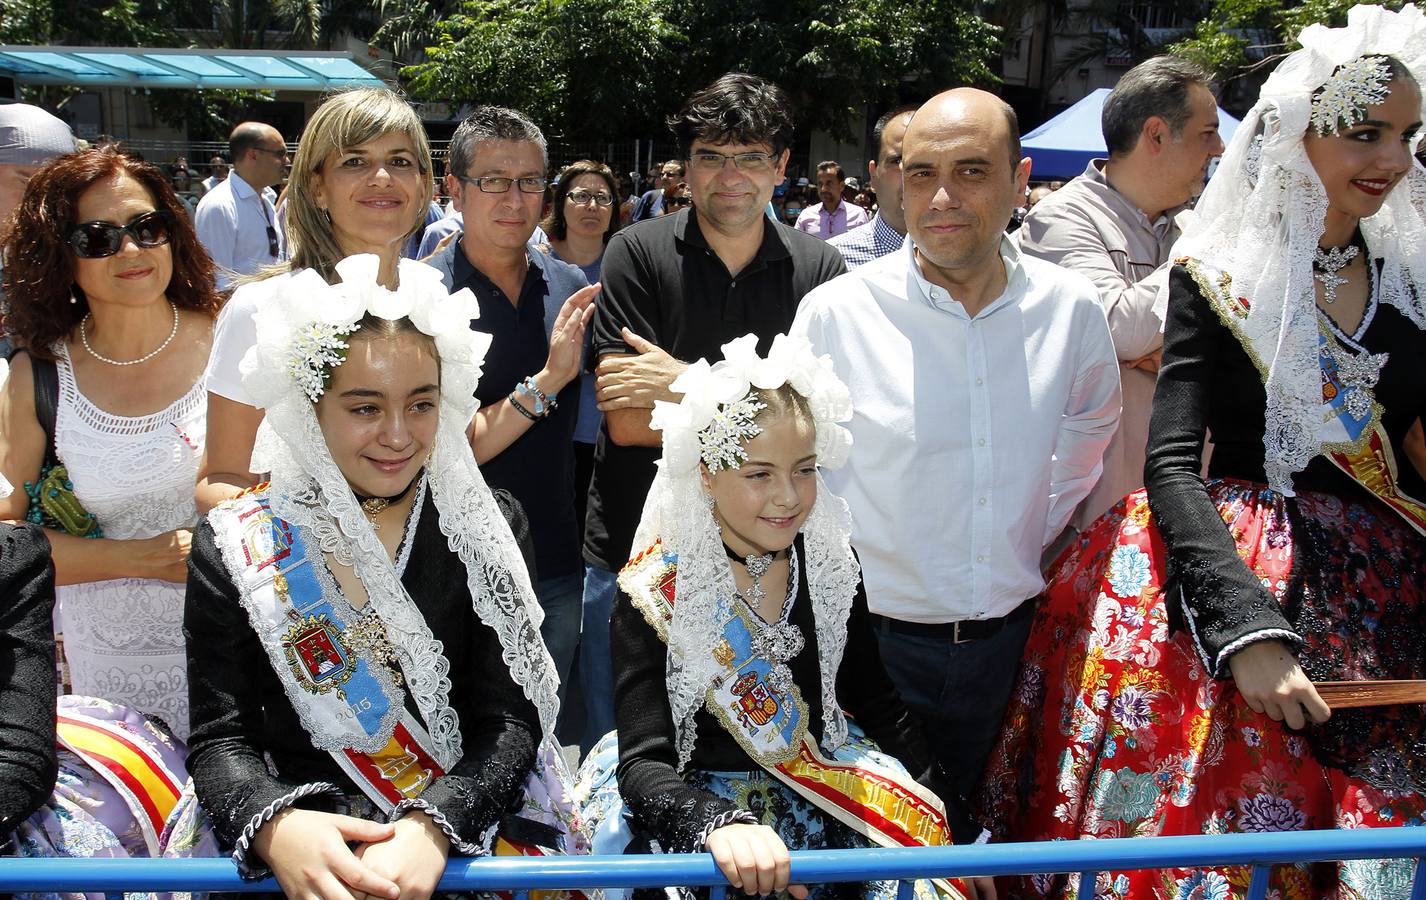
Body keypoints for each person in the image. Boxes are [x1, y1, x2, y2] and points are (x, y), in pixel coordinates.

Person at [977, 8, 1426, 896]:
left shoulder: (1411, 274)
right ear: (1300, 138)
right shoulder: (1219, 270)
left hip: (1387, 590)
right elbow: (1174, 461)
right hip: (1231, 580)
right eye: (1367, 135)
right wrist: (1244, 633)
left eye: (1409, 136)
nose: (1394, 160)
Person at [184, 256, 580, 898]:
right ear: (309, 406)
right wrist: (277, 826)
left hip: (458, 835)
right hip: (301, 841)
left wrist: (435, 825)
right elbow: (221, 737)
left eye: (421, 404)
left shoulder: (485, 527)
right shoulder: (236, 540)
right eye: (364, 408)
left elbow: (510, 720)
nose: (398, 435)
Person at [577, 335, 993, 900]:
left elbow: (882, 709)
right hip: (695, 812)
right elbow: (644, 763)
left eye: (804, 470)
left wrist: (966, 837)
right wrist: (716, 826)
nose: (788, 496)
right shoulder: (653, 592)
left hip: (824, 794)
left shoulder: (830, 568)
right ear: (705, 474)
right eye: (758, 475)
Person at [790, 88, 1121, 798]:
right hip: (867, 656)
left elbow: (1091, 424)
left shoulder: (1071, 308)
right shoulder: (837, 313)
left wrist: (1024, 525)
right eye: (920, 174)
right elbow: (795, 470)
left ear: (1020, 178)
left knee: (975, 848)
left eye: (971, 171)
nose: (941, 197)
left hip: (1009, 650)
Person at [583, 70, 845, 765]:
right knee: (631, 763)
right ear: (686, 168)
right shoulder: (635, 251)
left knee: (763, 766)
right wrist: (756, 401)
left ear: (782, 166)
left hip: (770, 566)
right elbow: (627, 423)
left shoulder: (820, 271)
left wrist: (683, 382)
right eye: (711, 156)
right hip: (639, 558)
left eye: (751, 156)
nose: (731, 176)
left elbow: (819, 429)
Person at [0, 148, 221, 739]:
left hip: (242, 654)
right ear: (58, 257)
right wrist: (139, 557)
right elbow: (5, 542)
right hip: (110, 678)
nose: (131, 250)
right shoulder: (39, 377)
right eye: (97, 238)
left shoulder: (235, 343)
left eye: (147, 228)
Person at [424, 107, 598, 698]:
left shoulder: (571, 287)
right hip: (451, 562)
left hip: (553, 555)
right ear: (454, 188)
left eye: (529, 183)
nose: (514, 199)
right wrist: (548, 382)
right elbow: (438, 447)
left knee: (546, 738)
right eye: (494, 181)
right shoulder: (423, 295)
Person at [197, 89, 435, 513]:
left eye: (400, 161)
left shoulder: (434, 298)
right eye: (354, 161)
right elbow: (222, 479)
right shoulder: (259, 308)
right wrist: (326, 540)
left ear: (422, 187)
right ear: (317, 188)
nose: (381, 177)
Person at [1019, 55, 1224, 530]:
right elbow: (1120, 330)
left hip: (1194, 504)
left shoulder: (1193, 227)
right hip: (1093, 518)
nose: (1218, 148)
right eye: (1206, 132)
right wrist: (1209, 251)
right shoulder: (1062, 218)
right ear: (1155, 134)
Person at [195, 122, 288, 289]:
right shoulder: (219, 206)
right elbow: (216, 283)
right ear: (252, 155)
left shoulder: (266, 199)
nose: (286, 161)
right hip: (239, 314)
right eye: (280, 154)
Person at [828, 106, 916, 268]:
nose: (914, 173)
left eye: (927, 163)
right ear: (873, 175)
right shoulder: (833, 263)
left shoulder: (974, 264)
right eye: (897, 161)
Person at [795, 161, 869, 239]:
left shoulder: (858, 215)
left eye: (829, 183)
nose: (823, 189)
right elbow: (795, 247)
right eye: (820, 184)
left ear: (841, 186)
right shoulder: (806, 215)